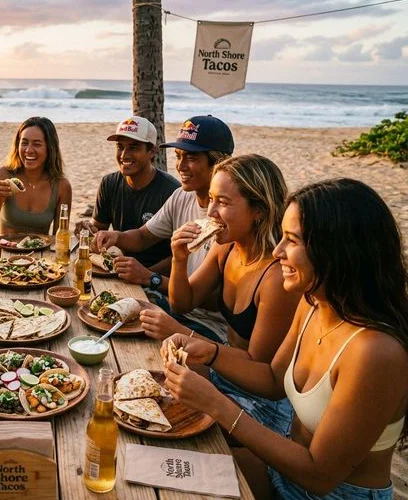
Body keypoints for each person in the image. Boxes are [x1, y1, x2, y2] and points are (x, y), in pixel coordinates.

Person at [164, 178, 408, 499]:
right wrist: (209, 352)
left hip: (334, 492)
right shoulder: (313, 303)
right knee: (164, 468)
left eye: (291, 240)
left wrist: (216, 404)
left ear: (337, 250)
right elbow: (273, 379)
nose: (277, 251)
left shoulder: (376, 352)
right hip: (283, 468)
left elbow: (320, 475)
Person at [167, 154, 301, 435]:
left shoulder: (276, 276)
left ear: (259, 211)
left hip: (262, 400)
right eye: (212, 199)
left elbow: (262, 371)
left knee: (177, 418)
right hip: (226, 369)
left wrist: (194, 340)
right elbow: (182, 302)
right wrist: (179, 259)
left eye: (223, 202)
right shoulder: (226, 246)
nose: (210, 212)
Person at [94, 115, 235, 342]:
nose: (180, 166)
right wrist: (116, 236)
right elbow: (142, 236)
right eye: (179, 156)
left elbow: (215, 301)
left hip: (207, 327)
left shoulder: (230, 218)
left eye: (191, 157)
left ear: (218, 163)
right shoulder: (182, 195)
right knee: (101, 313)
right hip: (173, 305)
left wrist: (151, 277)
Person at [77, 116, 179, 283]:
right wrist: (88, 231)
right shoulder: (109, 183)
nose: (124, 154)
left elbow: (180, 256)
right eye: (120, 147)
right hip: (121, 270)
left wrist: (145, 274)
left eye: (133, 148)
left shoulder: (171, 192)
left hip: (158, 278)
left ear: (152, 151)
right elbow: (99, 230)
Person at [0, 117, 73, 235]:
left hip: (41, 253)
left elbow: (59, 235)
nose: (29, 150)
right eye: (24, 143)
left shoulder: (62, 185)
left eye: (37, 144)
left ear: (50, 148)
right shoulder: (2, 175)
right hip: (5, 250)